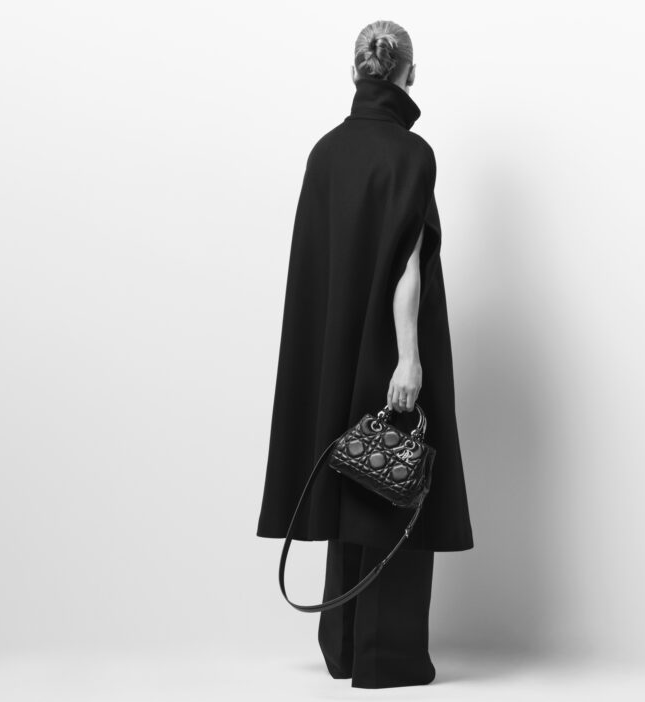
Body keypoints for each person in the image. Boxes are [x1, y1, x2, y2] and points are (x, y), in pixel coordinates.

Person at [256, 19, 474, 689]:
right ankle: (387, 657)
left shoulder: (324, 153)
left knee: (354, 481)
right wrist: (408, 357)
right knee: (392, 486)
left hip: (335, 353)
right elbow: (407, 263)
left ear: (356, 72)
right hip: (387, 348)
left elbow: (318, 269)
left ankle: (343, 647)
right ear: (408, 74)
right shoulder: (412, 154)